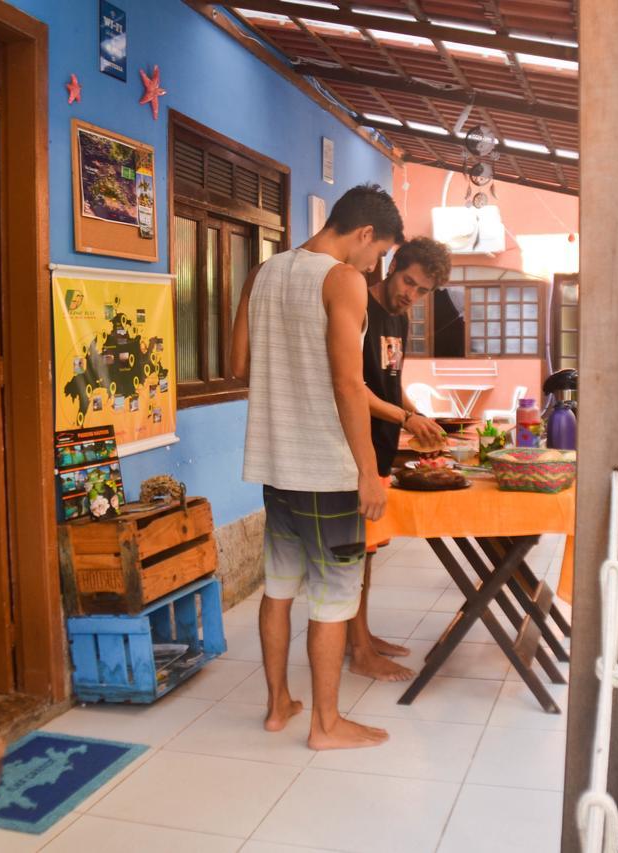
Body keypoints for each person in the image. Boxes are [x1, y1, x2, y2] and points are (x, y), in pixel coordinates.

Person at [231, 184, 404, 750]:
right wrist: (367, 470)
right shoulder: (342, 280)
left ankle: (278, 705)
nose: (374, 266)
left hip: (275, 465)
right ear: (362, 234)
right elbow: (346, 382)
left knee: (278, 589)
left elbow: (238, 367)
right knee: (333, 598)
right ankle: (326, 725)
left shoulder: (262, 274)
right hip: (326, 472)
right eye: (377, 252)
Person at [349, 237, 453, 682]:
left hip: (384, 448)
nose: (411, 293)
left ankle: (363, 636)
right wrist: (407, 417)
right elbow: (353, 388)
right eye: (408, 281)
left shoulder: (401, 317)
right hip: (355, 448)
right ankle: (357, 649)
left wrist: (417, 416)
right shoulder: (359, 307)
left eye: (422, 290)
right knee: (352, 553)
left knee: (368, 552)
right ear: (392, 266)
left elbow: (392, 384)